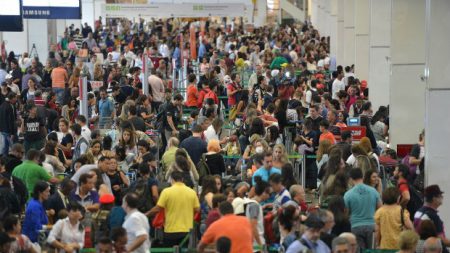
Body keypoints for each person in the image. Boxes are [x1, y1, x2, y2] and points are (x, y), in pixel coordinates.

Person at [148, 171, 200, 247]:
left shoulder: (166, 192)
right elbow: (197, 210)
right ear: (182, 179)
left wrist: (146, 214)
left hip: (170, 231)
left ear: (172, 179)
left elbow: (158, 208)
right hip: (186, 231)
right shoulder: (192, 192)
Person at [344, 167, 381, 250]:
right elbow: (380, 208)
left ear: (350, 178)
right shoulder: (373, 191)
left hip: (355, 226)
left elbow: (346, 213)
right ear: (362, 176)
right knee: (372, 251)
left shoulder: (348, 194)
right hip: (372, 226)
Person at [246, 176, 271, 249]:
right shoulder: (255, 205)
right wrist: (260, 246)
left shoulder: (252, 203)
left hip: (254, 242)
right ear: (263, 192)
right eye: (269, 193)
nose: (269, 196)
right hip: (256, 244)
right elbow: (253, 226)